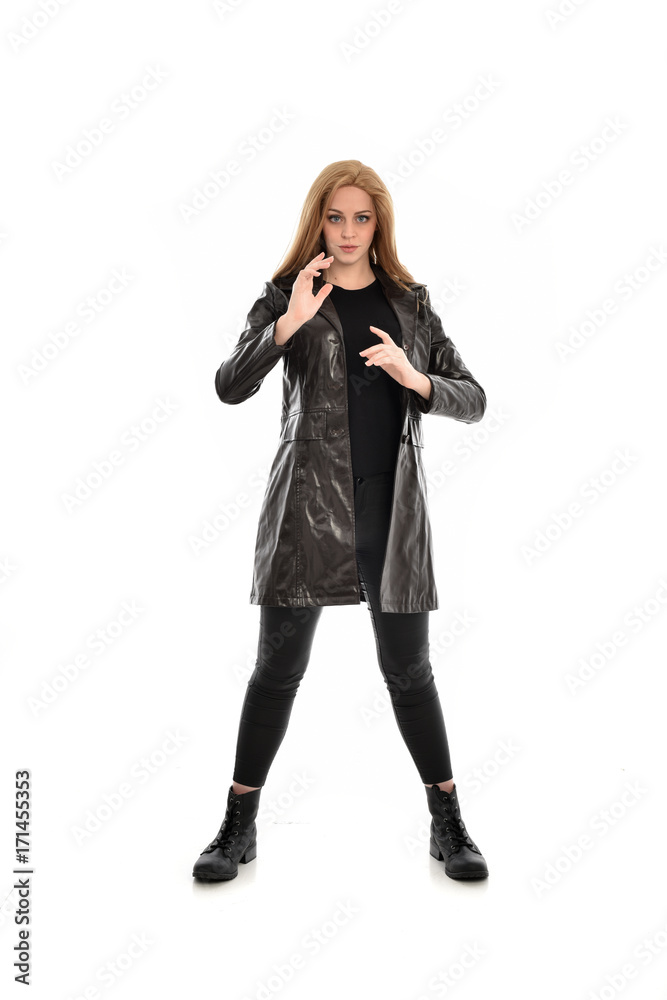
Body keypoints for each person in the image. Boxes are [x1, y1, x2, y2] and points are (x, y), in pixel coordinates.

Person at [193, 160, 489, 883]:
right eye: (335, 217)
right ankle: (237, 824)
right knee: (277, 671)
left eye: (362, 217)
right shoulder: (286, 294)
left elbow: (473, 397)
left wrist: (414, 377)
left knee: (410, 672)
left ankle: (447, 820)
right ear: (317, 222)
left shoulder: (411, 305)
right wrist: (288, 323)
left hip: (392, 511)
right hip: (306, 511)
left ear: (378, 223)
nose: (349, 231)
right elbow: (228, 386)